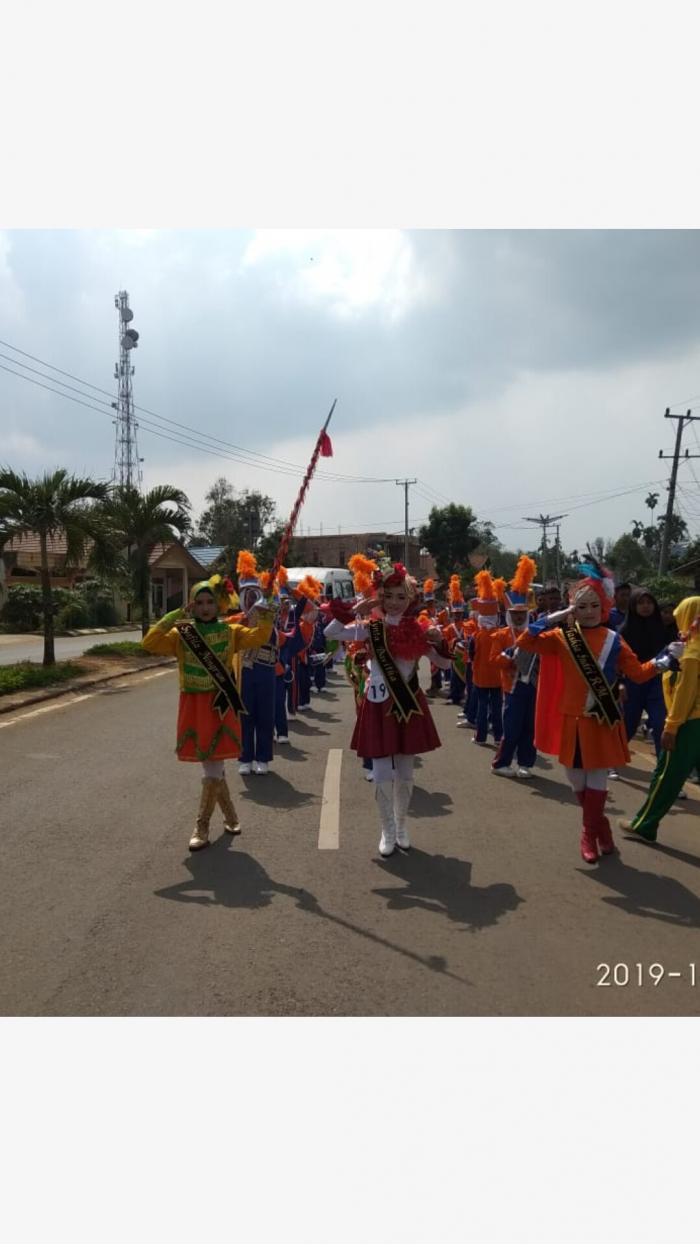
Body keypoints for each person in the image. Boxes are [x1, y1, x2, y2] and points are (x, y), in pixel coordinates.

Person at [515, 559, 672, 863]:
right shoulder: (562, 637)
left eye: (594, 605)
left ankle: (588, 833)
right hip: (572, 719)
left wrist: (664, 661)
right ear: (572, 608)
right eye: (581, 606)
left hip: (601, 718)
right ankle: (601, 827)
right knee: (576, 778)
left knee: (597, 777)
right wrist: (553, 618)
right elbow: (525, 641)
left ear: (604, 607)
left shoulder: (614, 640)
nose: (588, 611)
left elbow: (638, 673)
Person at [324, 555, 451, 858]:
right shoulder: (371, 628)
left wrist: (439, 640)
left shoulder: (419, 629)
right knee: (382, 772)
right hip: (379, 703)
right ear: (380, 597)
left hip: (408, 704)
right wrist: (356, 610)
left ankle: (402, 825)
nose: (394, 603)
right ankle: (387, 829)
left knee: (405, 772)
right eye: (388, 596)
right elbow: (331, 633)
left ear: (410, 599)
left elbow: (445, 664)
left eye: (400, 597)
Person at [141, 573, 274, 851]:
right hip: (194, 706)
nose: (204, 608)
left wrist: (265, 614)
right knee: (213, 765)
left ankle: (201, 826)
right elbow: (150, 642)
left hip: (220, 705)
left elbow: (260, 637)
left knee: (213, 766)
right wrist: (176, 614)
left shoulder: (230, 631)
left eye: (209, 602)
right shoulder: (182, 634)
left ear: (219, 604)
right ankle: (231, 816)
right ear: (192, 604)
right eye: (199, 602)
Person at [619, 597, 699, 842]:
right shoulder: (688, 647)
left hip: (688, 723)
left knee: (666, 776)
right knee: (666, 774)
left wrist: (671, 727)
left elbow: (684, 695)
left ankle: (645, 825)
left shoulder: (691, 655)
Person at [490, 556, 539, 777]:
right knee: (511, 728)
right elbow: (494, 659)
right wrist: (511, 656)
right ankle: (501, 764)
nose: (519, 617)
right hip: (512, 687)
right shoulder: (501, 635)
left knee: (530, 727)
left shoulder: (536, 633)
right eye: (515, 614)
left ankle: (526, 763)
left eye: (522, 614)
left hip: (534, 686)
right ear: (509, 615)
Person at [231, 550, 279, 776]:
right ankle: (245, 757)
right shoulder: (236, 620)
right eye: (247, 595)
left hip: (265, 670)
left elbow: (276, 635)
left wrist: (266, 605)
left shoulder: (268, 615)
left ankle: (263, 758)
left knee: (265, 715)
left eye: (254, 594)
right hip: (245, 672)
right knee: (245, 714)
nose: (251, 599)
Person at [619, 587, 669, 757]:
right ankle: (611, 760)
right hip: (632, 683)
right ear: (633, 606)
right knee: (628, 725)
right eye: (641, 603)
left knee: (660, 723)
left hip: (657, 682)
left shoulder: (663, 628)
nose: (646, 606)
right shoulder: (624, 631)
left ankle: (663, 765)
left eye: (649, 602)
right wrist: (620, 683)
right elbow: (615, 660)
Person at [469, 569, 506, 747]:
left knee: (482, 707)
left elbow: (471, 654)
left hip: (480, 676)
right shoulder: (501, 634)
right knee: (497, 708)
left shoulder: (476, 636)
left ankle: (481, 737)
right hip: (497, 677)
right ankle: (498, 737)